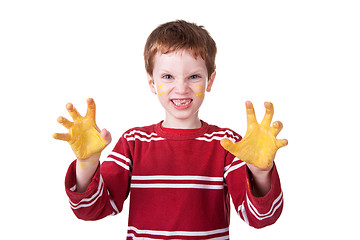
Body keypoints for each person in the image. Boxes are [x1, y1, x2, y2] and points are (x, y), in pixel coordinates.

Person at [53, 20, 288, 240]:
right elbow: (91, 210)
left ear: (210, 81)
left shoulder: (228, 144)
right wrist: (88, 164)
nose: (181, 88)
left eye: (194, 76)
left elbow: (261, 217)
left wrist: (260, 172)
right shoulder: (133, 142)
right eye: (168, 76)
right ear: (152, 83)